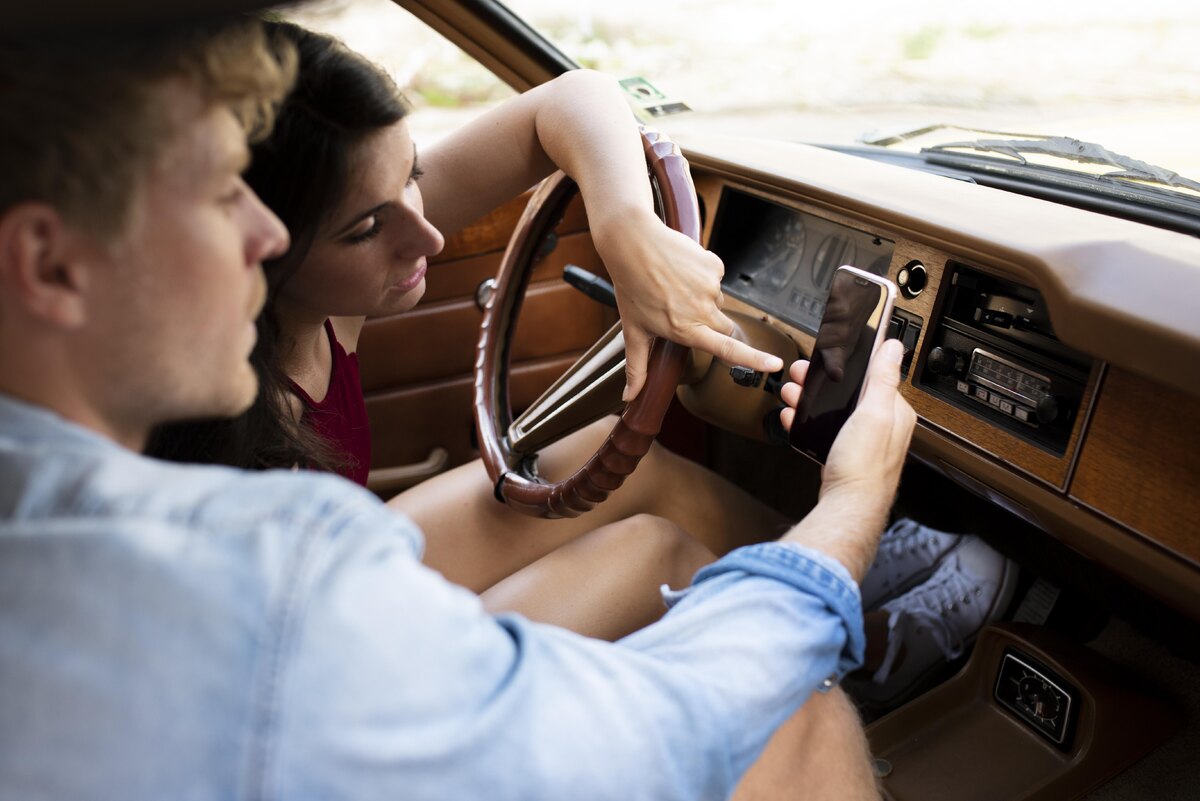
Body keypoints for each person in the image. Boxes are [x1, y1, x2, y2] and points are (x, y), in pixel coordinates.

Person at [0, 15, 915, 801]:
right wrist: (850, 505)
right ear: (50, 265)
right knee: (792, 703)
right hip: (324, 683)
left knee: (617, 479)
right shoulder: (271, 561)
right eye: (215, 194)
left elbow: (570, 98)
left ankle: (880, 599)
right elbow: (658, 734)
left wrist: (628, 230)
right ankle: (865, 606)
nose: (262, 234)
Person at [146, 20, 792, 641]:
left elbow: (573, 96)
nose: (426, 237)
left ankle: (864, 597)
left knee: (632, 466)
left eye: (412, 178)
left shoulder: (319, 300)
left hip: (339, 571)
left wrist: (623, 227)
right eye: (365, 229)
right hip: (320, 657)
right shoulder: (223, 447)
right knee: (657, 553)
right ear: (255, 248)